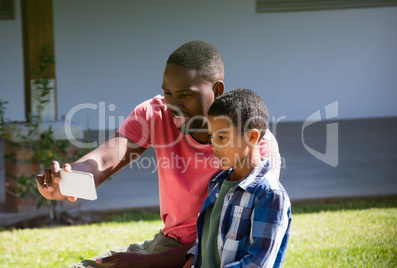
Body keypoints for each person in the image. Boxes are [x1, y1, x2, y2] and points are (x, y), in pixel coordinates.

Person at [35, 41, 282, 268]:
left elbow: (233, 241)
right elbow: (106, 158)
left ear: (217, 89)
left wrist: (147, 264)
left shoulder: (253, 146)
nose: (173, 104)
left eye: (185, 94)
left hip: (219, 255)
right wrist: (69, 179)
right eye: (168, 93)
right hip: (172, 246)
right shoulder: (155, 114)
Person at [183, 88, 291, 268]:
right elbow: (206, 241)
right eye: (212, 137)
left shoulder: (269, 195)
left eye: (222, 137)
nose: (214, 146)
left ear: (252, 136)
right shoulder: (218, 182)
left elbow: (257, 263)